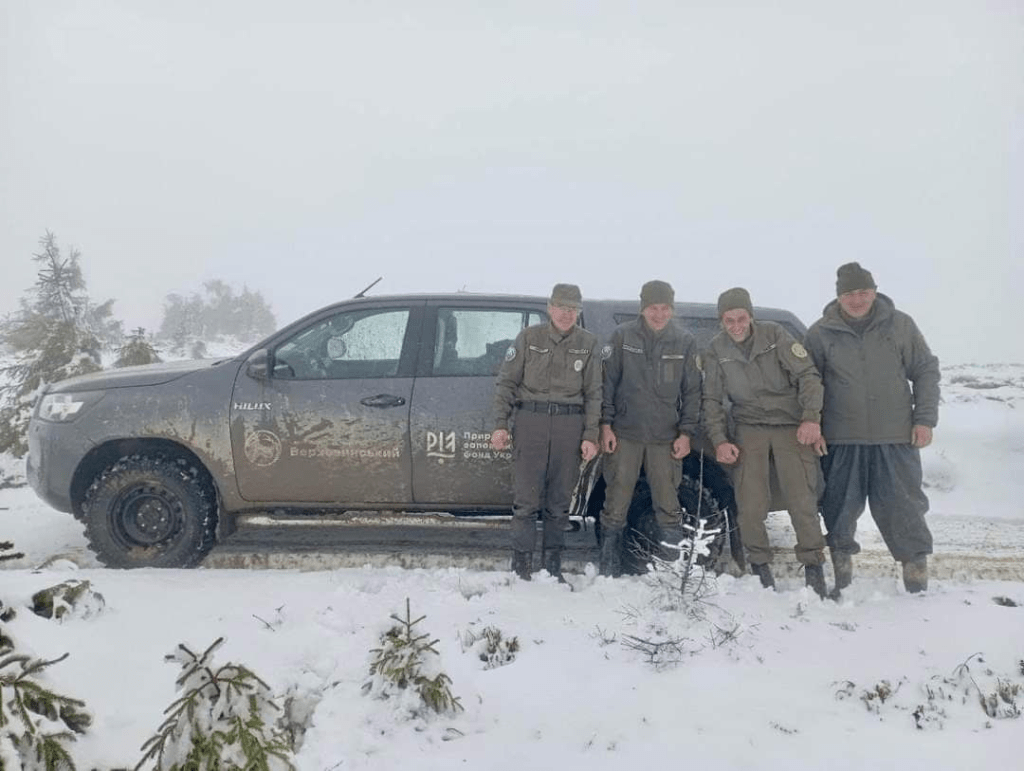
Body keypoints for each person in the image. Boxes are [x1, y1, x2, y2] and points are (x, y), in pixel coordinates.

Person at [804, 263, 940, 594]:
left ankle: (915, 573)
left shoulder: (900, 325)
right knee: (839, 506)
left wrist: (924, 419)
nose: (857, 299)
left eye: (863, 292)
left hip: (896, 436)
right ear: (839, 297)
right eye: (849, 293)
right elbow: (808, 384)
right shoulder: (821, 332)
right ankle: (842, 570)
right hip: (840, 438)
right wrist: (815, 425)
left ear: (874, 291)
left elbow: (925, 370)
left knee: (904, 506)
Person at [702, 287, 829, 597]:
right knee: (750, 505)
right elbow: (711, 399)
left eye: (741, 318)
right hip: (749, 428)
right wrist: (719, 440)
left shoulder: (775, 335)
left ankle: (814, 569)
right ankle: (760, 569)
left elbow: (808, 376)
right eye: (728, 320)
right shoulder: (716, 349)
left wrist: (811, 418)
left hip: (790, 426)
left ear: (751, 316)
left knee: (802, 502)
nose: (735, 325)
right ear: (721, 320)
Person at [491, 283, 601, 581]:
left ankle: (552, 568)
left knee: (559, 502)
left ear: (579, 311)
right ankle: (522, 568)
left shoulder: (588, 343)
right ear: (550, 308)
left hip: (569, 426)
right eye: (561, 308)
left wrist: (591, 435)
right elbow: (506, 384)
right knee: (526, 501)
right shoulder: (529, 338)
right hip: (531, 423)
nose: (566, 315)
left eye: (572, 309)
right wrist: (501, 424)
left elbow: (594, 393)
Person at [597, 280, 701, 576]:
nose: (658, 314)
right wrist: (605, 425)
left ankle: (672, 568)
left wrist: (686, 433)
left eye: (664, 308)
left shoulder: (684, 342)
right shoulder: (622, 336)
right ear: (642, 308)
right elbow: (607, 383)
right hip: (625, 434)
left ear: (672, 309)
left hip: (665, 438)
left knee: (668, 502)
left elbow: (693, 391)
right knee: (616, 500)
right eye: (653, 308)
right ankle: (609, 565)